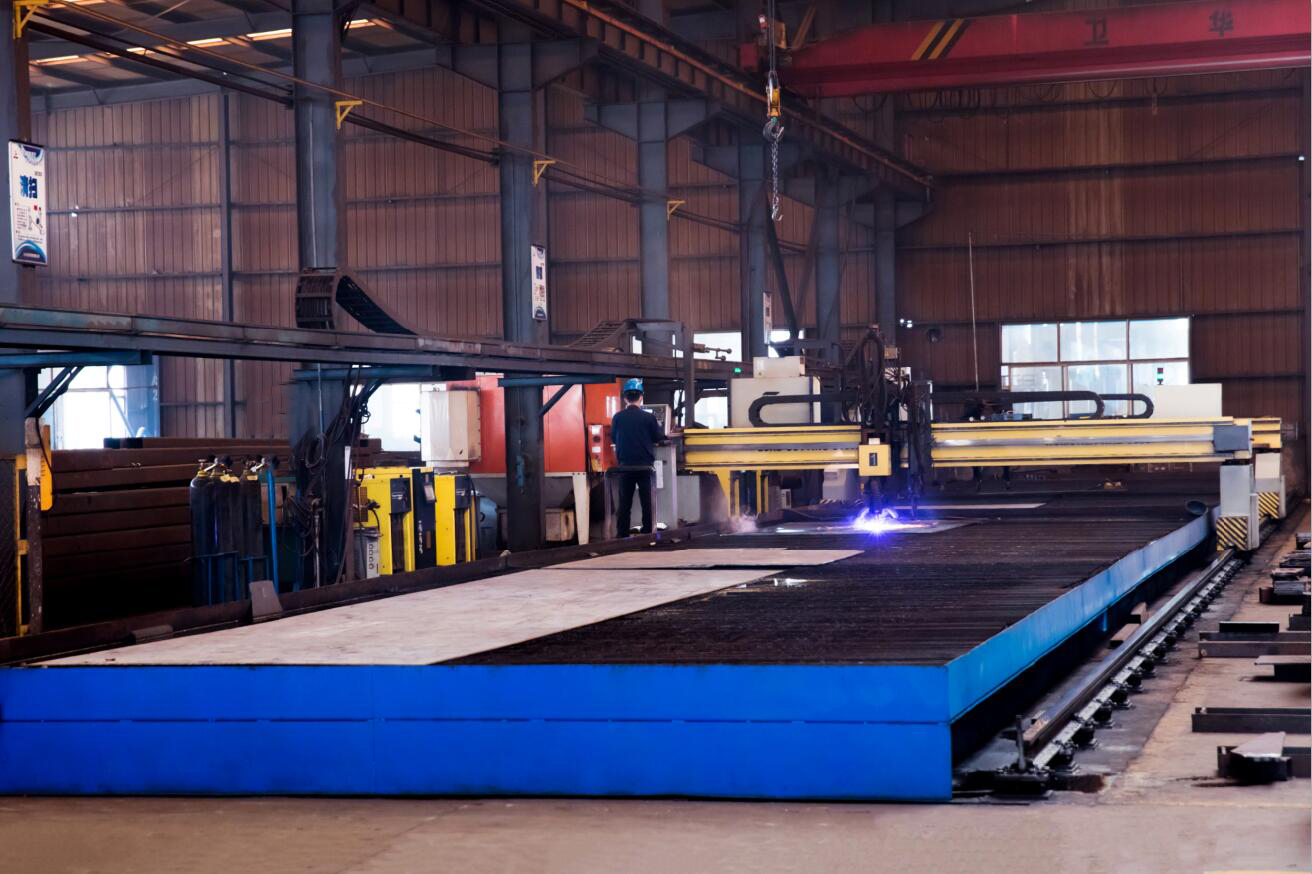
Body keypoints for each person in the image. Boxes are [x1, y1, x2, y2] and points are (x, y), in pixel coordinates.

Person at [610, 377, 667, 536]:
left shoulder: (617, 417)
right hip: (645, 467)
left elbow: (613, 438)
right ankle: (648, 532)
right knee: (647, 501)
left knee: (625, 503)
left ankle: (622, 535)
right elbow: (658, 437)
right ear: (641, 397)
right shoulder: (648, 418)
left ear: (625, 398)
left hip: (625, 466)